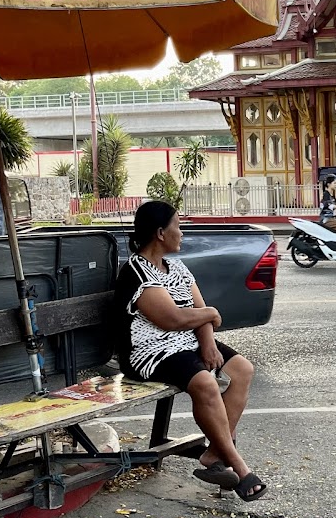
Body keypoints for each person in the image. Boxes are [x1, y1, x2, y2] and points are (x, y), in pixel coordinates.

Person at [113, 201, 267, 501]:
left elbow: (198, 309)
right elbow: (171, 319)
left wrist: (208, 341)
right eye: (177, 227)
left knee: (242, 371)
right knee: (205, 383)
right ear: (160, 233)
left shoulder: (178, 267)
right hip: (150, 352)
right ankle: (240, 468)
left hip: (187, 343)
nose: (181, 233)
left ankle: (212, 455)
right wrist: (210, 313)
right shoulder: (136, 272)